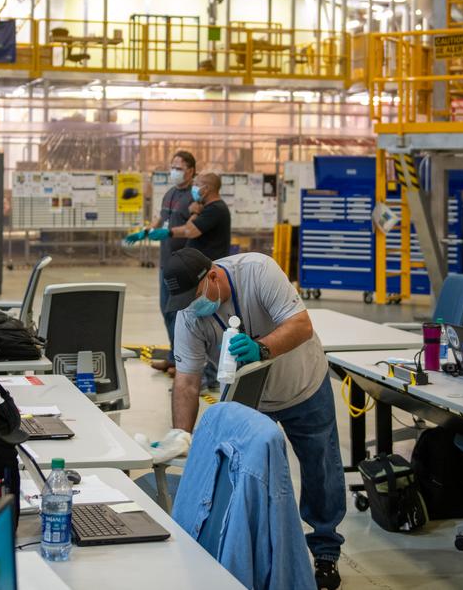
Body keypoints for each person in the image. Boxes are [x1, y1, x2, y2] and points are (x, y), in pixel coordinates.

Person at [148, 247, 345, 590]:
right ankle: (253, 554)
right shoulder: (189, 316)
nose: (192, 307)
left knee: (321, 469)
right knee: (243, 479)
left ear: (212, 276)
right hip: (247, 397)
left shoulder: (258, 271)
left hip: (303, 385)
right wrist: (181, 434)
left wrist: (261, 348)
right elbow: (187, 380)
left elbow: (301, 325)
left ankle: (326, 551)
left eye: (194, 297)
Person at [124, 150, 196, 375]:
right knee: (166, 311)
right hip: (166, 263)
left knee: (181, 314)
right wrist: (145, 231)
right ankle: (174, 358)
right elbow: (160, 219)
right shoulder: (170, 194)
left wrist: (170, 233)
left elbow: (193, 228)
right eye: (172, 167)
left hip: (184, 265)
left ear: (191, 171)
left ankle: (183, 363)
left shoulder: (194, 197)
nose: (174, 172)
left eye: (179, 168)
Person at [178, 172, 231, 260]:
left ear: (206, 189)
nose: (193, 188)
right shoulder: (207, 207)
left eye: (197, 185)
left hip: (208, 264)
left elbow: (189, 232)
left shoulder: (215, 209)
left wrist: (194, 213)